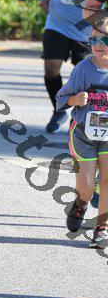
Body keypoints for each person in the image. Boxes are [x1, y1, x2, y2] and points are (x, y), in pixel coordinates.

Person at [38, 0, 105, 134]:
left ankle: (78, 118)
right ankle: (59, 109)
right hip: (57, 24)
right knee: (51, 67)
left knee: (85, 75)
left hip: (86, 29)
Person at [56, 20, 108, 248]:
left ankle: (101, 229)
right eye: (94, 39)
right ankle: (80, 204)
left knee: (106, 182)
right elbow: (61, 98)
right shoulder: (83, 69)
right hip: (84, 135)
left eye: (105, 39)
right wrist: (75, 100)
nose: (98, 44)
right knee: (86, 187)